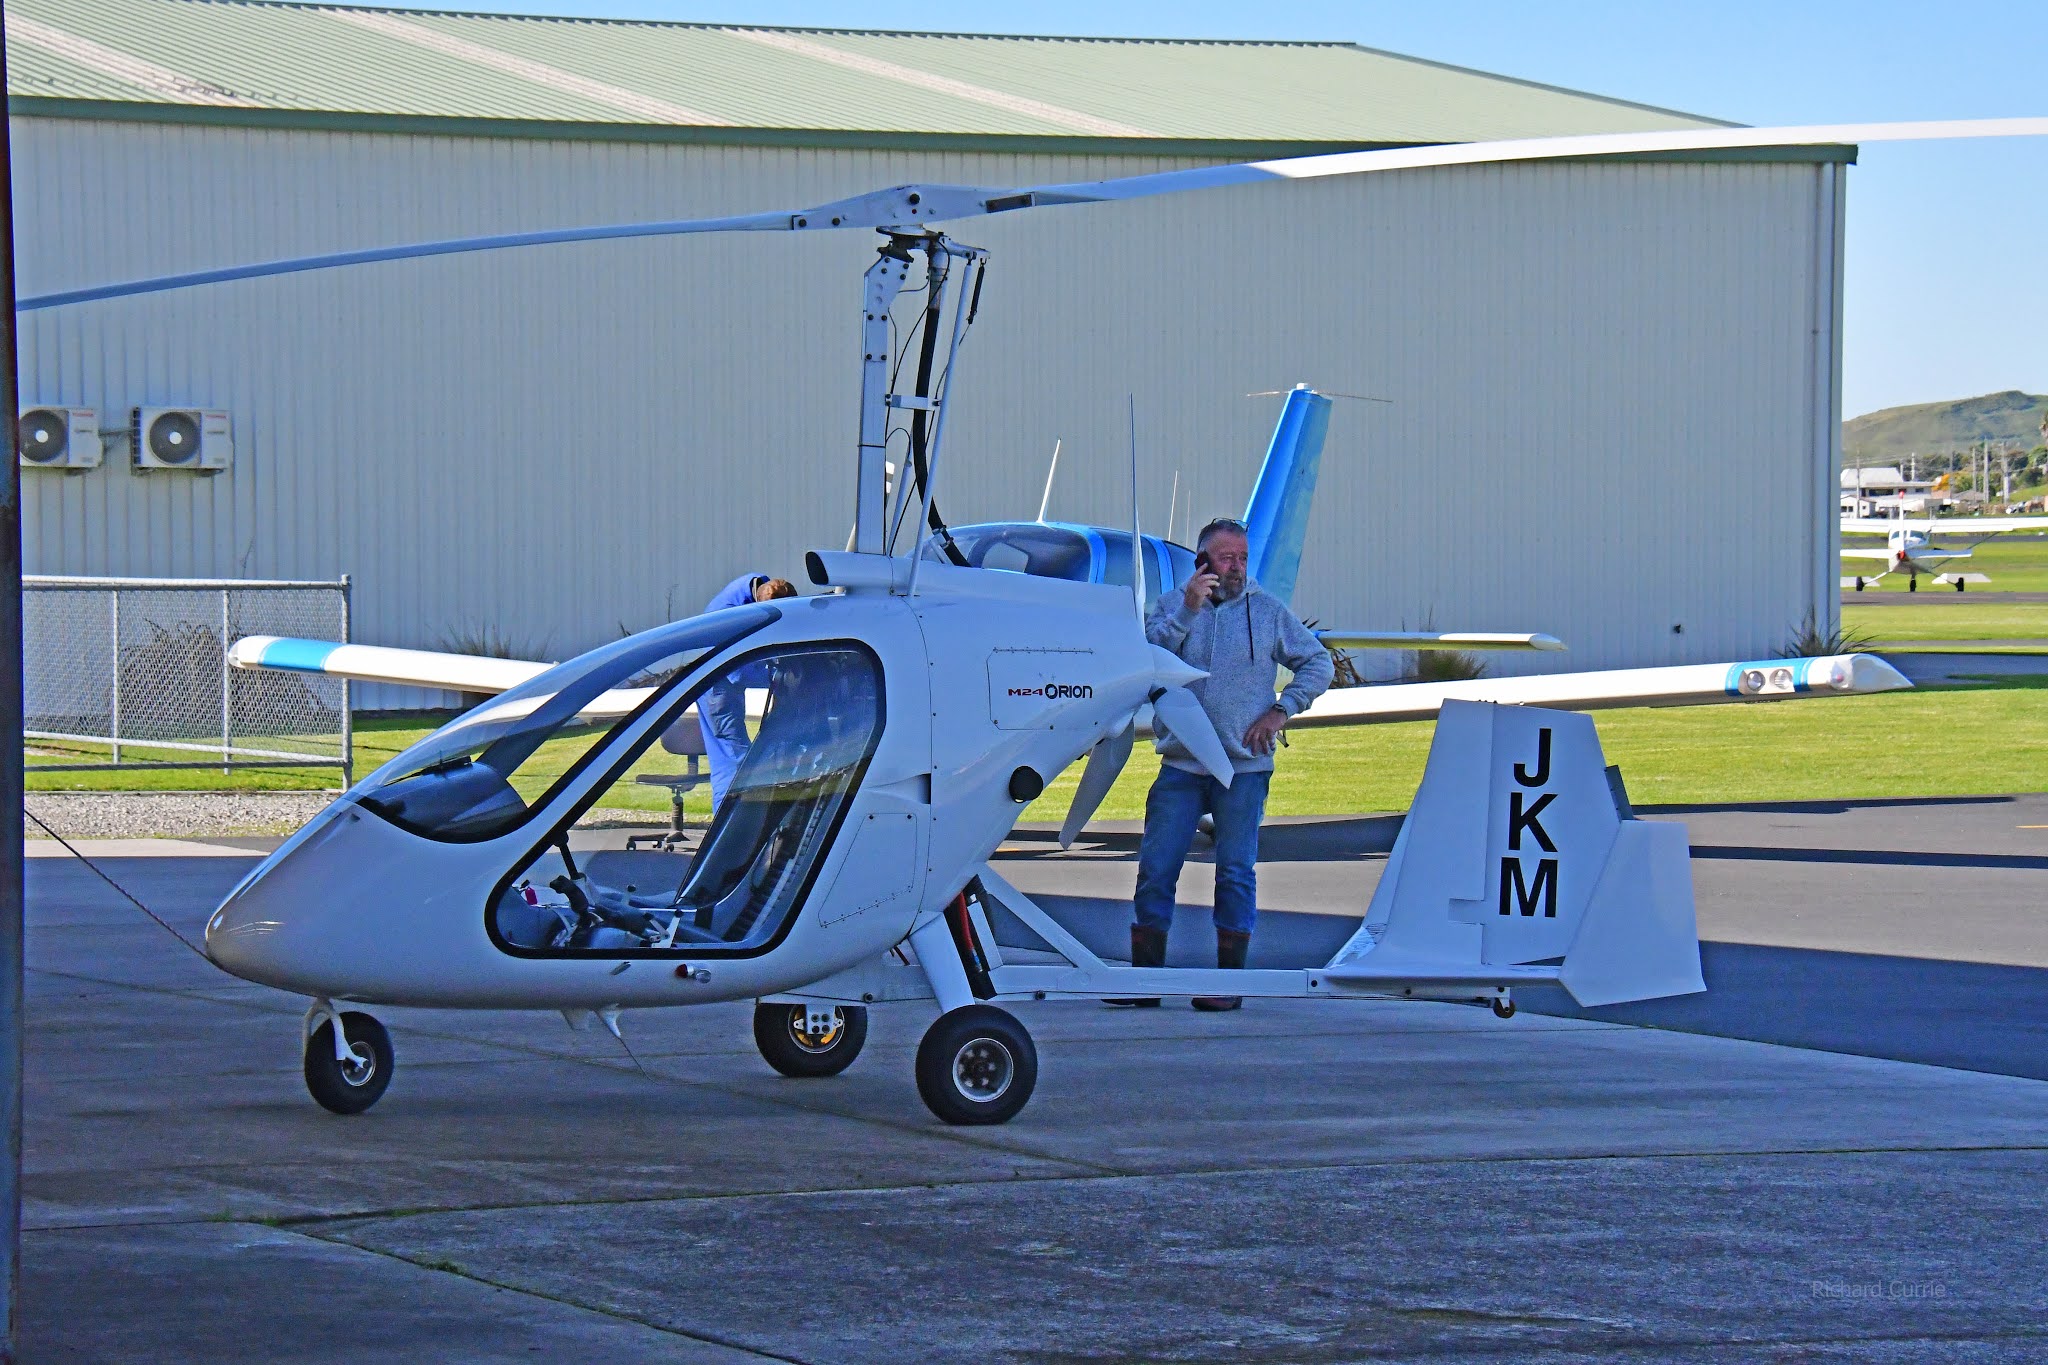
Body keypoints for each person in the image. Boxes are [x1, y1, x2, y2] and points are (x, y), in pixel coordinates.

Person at [1115, 517, 1334, 1011]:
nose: (1236, 568)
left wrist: (1282, 709)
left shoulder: (1269, 611)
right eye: (1226, 557)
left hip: (1244, 768)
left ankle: (1230, 983)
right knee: (1156, 867)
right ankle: (1146, 981)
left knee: (1235, 870)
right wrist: (1189, 610)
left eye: (1242, 558)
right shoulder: (1174, 606)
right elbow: (1149, 658)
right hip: (1181, 766)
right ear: (1202, 561)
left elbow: (1318, 662)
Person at [700, 574, 798, 811]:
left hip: (723, 687)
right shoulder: (728, 615)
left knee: (733, 759)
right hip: (718, 691)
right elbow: (739, 672)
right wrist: (778, 676)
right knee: (733, 762)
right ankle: (727, 832)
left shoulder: (755, 587)